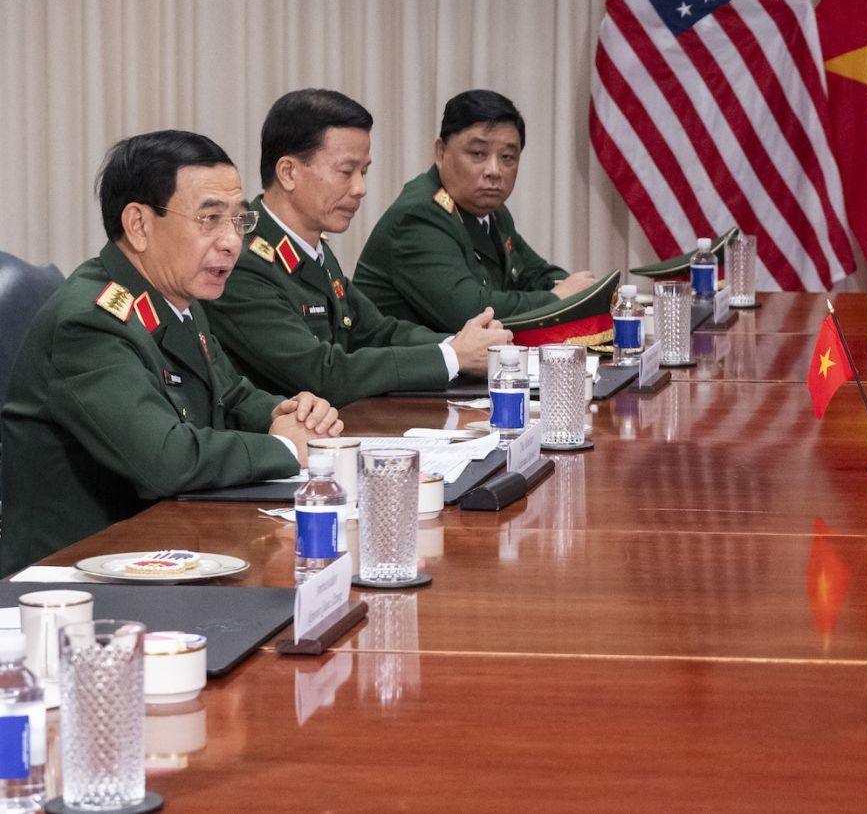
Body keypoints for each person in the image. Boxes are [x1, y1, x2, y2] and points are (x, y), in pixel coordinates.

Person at [0, 131, 342, 575]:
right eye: (210, 219)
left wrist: (292, 412)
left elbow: (231, 394)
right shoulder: (87, 321)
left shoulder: (176, 299)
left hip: (157, 549)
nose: (231, 242)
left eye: (238, 220)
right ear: (139, 225)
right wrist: (283, 446)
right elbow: (166, 459)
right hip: (71, 577)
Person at [204, 89, 512, 405]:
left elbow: (378, 333)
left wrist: (465, 344)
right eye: (346, 171)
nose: (360, 189)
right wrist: (451, 356)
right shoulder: (240, 262)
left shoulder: (311, 249)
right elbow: (321, 373)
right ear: (288, 172)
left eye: (363, 172)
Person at [354, 90, 596, 332]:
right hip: (412, 366)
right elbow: (470, 312)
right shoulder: (418, 216)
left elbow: (534, 274)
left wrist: (577, 288)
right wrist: (558, 299)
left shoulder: (493, 212)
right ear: (440, 152)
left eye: (508, 157)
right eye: (478, 154)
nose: (494, 170)